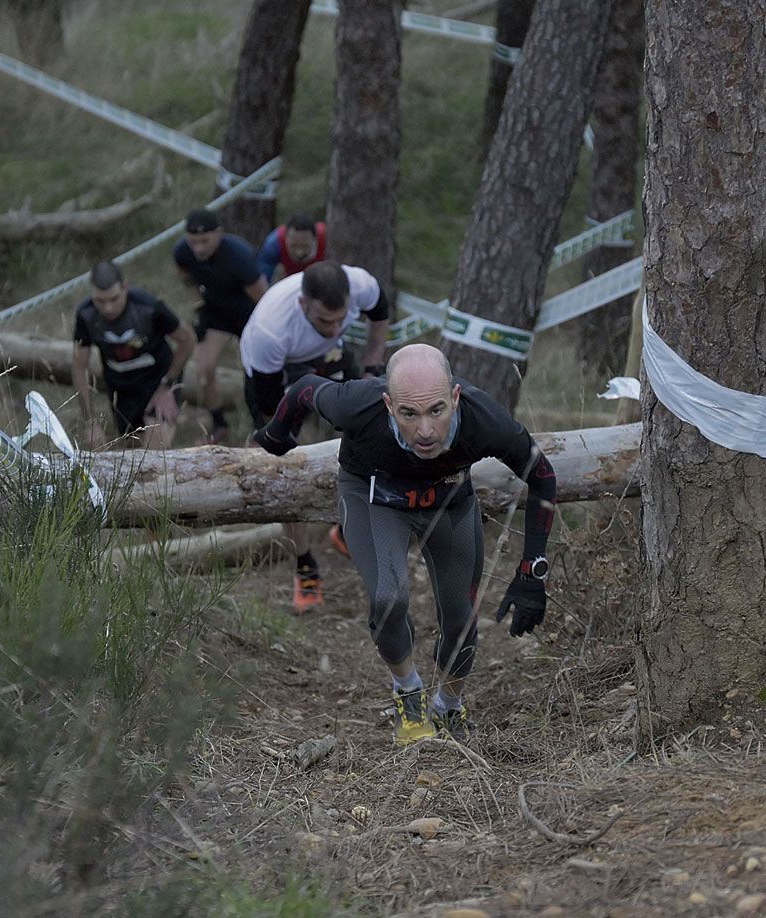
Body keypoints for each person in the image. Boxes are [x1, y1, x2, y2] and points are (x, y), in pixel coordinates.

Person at [253, 343, 556, 746]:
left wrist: (532, 569)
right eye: (408, 414)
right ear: (387, 404)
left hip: (448, 500)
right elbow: (306, 388)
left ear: (455, 398)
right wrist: (279, 431)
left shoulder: (485, 420)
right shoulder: (357, 405)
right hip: (373, 497)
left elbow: (542, 475)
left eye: (437, 411)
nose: (426, 431)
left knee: (460, 615)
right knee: (388, 598)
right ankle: (408, 692)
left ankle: (449, 704)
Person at [240, 261, 390, 613]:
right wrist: (271, 440)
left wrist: (372, 365)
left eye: (341, 319)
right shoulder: (270, 332)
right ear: (303, 305)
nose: (335, 326)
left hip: (328, 357)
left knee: (371, 423)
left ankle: (346, 526)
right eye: (325, 320)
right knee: (281, 463)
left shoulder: (362, 283)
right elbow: (271, 420)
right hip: (278, 369)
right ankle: (305, 565)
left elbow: (380, 316)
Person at [73, 260, 194, 450]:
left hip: (157, 380)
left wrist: (167, 385)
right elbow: (80, 366)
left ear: (125, 287)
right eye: (100, 301)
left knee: (155, 451)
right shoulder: (86, 315)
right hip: (122, 389)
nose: (108, 308)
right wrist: (90, 422)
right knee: (134, 453)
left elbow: (188, 339)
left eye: (114, 299)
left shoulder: (148, 307)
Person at [172, 207, 269, 444]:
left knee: (254, 374)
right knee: (204, 368)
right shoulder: (183, 252)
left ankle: (261, 429)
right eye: (194, 241)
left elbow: (265, 299)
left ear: (219, 234)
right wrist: (198, 306)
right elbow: (186, 277)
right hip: (217, 314)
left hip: (250, 315)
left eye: (205, 241)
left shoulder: (239, 257)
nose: (199, 248)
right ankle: (218, 424)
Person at [257, 212, 329, 281]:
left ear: (315, 239)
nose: (299, 253)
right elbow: (262, 281)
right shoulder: (274, 243)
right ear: (286, 238)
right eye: (293, 246)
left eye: (305, 246)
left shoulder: (328, 237)